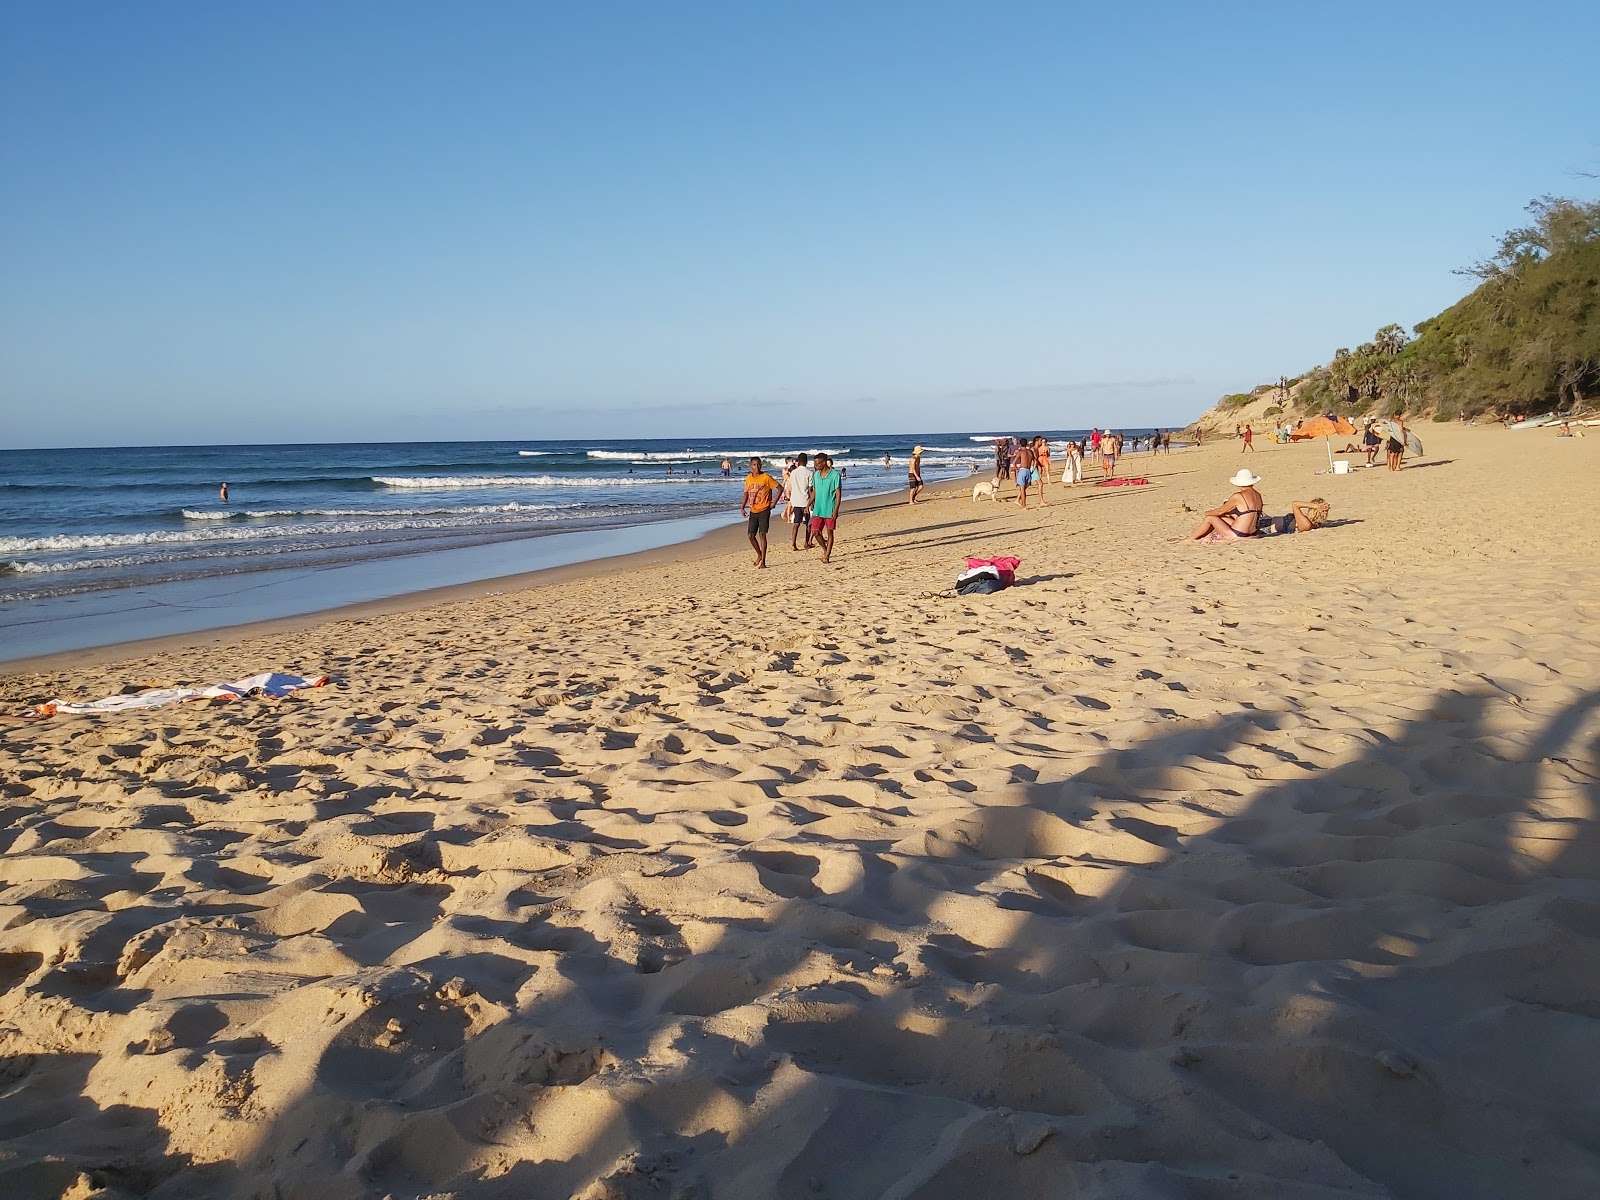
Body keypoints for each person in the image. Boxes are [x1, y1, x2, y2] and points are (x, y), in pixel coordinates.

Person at [1189, 469, 1264, 541]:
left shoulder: (1238, 496)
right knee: (1222, 518)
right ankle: (1198, 536)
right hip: (1252, 532)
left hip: (1237, 533)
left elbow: (1219, 511)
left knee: (1210, 518)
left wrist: (1207, 513)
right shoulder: (1258, 495)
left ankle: (1191, 539)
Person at [740, 456, 780, 568]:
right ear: (750, 466)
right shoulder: (749, 478)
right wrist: (742, 507)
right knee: (750, 535)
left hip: (764, 509)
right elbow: (746, 493)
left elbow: (780, 488)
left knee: (762, 534)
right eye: (754, 465)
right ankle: (759, 554)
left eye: (758, 464)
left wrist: (774, 502)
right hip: (753, 510)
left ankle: (763, 561)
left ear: (761, 465)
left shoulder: (766, 477)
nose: (756, 467)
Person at [809, 453, 843, 564]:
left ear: (824, 462)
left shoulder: (835, 475)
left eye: (817, 463)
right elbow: (814, 491)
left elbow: (838, 493)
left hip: (829, 508)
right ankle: (825, 550)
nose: (815, 465)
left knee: (829, 533)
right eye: (814, 463)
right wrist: (808, 503)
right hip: (818, 509)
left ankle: (827, 556)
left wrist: (836, 509)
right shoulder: (816, 475)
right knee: (815, 532)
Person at [787, 452, 814, 550]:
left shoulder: (793, 472)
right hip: (805, 501)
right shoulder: (810, 473)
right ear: (806, 461)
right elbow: (810, 489)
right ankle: (807, 542)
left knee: (796, 523)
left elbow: (791, 486)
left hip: (795, 500)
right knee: (808, 523)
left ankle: (793, 544)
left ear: (798, 461)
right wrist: (812, 501)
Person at [1264, 497, 1331, 534]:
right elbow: (1295, 504)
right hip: (1265, 523)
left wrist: (1315, 506)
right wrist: (1316, 506)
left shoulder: (1309, 524)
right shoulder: (1309, 523)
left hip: (1265, 526)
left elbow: (1295, 504)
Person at [1012, 439, 1036, 508]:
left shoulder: (1021, 452)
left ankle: (1023, 505)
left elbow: (1014, 463)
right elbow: (1035, 461)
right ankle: (1020, 501)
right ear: (1026, 444)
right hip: (1028, 470)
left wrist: (1017, 469)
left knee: (1022, 490)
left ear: (1020, 444)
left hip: (1022, 470)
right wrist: (1033, 469)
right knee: (1025, 488)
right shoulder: (1030, 452)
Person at [1031, 436, 1051, 504]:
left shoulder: (1036, 449)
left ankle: (1018, 499)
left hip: (1034, 467)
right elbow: (1032, 459)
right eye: (1040, 441)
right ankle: (1042, 501)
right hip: (1032, 467)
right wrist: (1033, 466)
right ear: (1037, 441)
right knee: (1040, 483)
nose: (1041, 442)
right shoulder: (1033, 449)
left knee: (1026, 485)